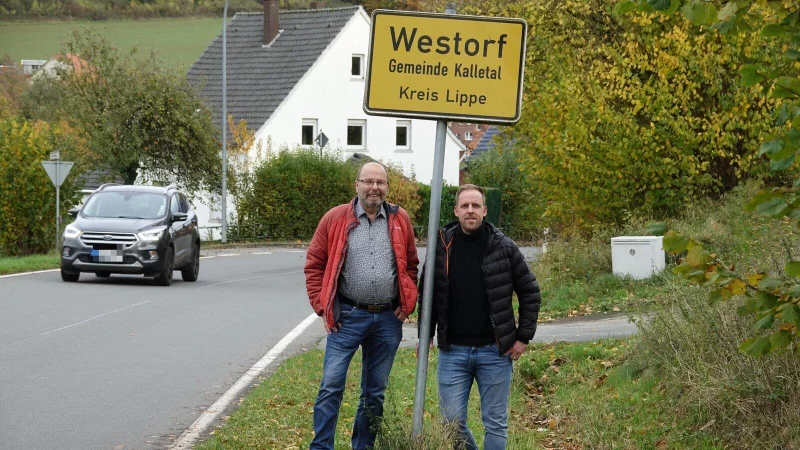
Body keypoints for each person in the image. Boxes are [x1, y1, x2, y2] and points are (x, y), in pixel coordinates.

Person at [305, 161, 419, 450]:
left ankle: (363, 446)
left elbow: (410, 265)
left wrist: (406, 303)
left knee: (374, 393)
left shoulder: (399, 219)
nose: (374, 188)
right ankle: (322, 447)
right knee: (331, 386)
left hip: (387, 319)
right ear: (356, 185)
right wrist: (323, 307)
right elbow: (314, 265)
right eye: (368, 182)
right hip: (347, 316)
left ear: (387, 187)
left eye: (380, 182)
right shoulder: (335, 218)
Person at [418, 184, 541, 450]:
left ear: (485, 210)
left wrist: (523, 337)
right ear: (456, 210)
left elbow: (530, 292)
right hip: (453, 352)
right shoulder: (441, 246)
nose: (470, 210)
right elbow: (426, 292)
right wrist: (424, 334)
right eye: (465, 206)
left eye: (475, 206)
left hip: (495, 352)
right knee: (451, 423)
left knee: (495, 423)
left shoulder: (503, 247)